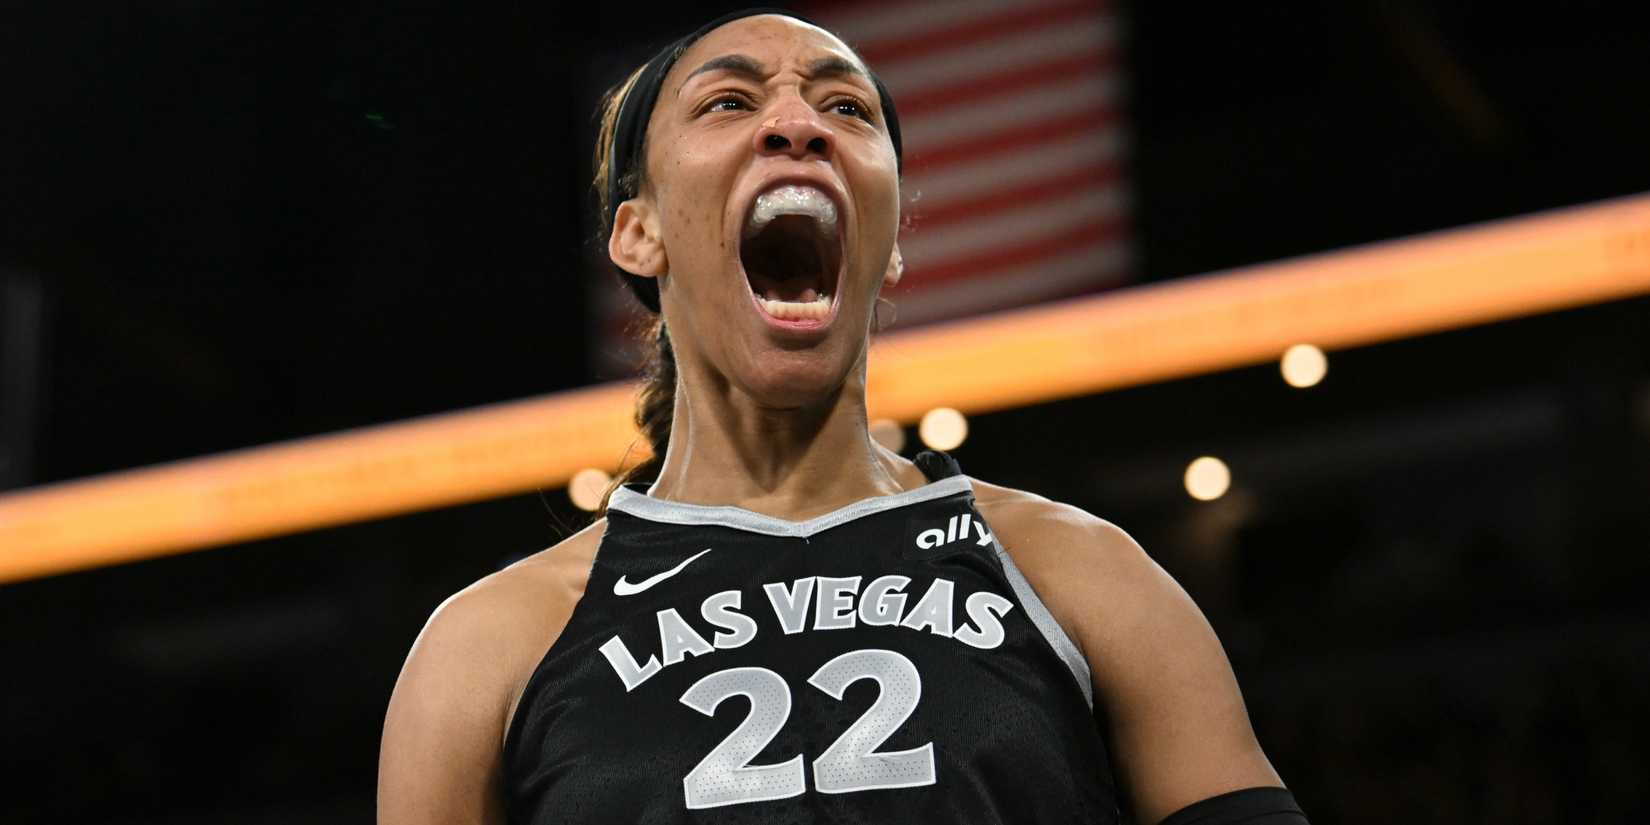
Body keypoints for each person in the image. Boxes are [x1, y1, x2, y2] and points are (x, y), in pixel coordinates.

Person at [377, 9, 1309, 824]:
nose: (796, 123)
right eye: (730, 102)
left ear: (893, 241)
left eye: (846, 108)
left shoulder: (1081, 573)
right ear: (639, 232)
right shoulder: (488, 646)